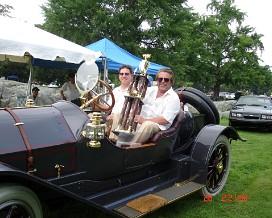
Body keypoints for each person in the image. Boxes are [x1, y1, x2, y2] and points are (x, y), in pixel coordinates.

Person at [109, 68, 180, 144]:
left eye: (166, 80)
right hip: (139, 121)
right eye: (160, 79)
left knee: (147, 125)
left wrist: (144, 120)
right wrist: (133, 92)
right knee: (118, 114)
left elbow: (165, 120)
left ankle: (129, 147)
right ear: (157, 80)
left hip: (156, 125)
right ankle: (113, 142)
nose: (162, 81)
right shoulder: (150, 90)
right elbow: (137, 96)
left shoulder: (173, 98)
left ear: (171, 82)